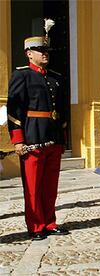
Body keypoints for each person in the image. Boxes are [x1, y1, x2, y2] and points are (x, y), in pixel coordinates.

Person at [7, 23, 69, 240]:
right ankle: (35, 226)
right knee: (33, 186)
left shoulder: (55, 77)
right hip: (32, 136)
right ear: (29, 53)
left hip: (52, 137)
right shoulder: (21, 75)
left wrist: (62, 138)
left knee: (50, 185)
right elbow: (14, 111)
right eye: (40, 51)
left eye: (46, 51)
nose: (45, 55)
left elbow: (61, 110)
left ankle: (50, 222)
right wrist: (17, 140)